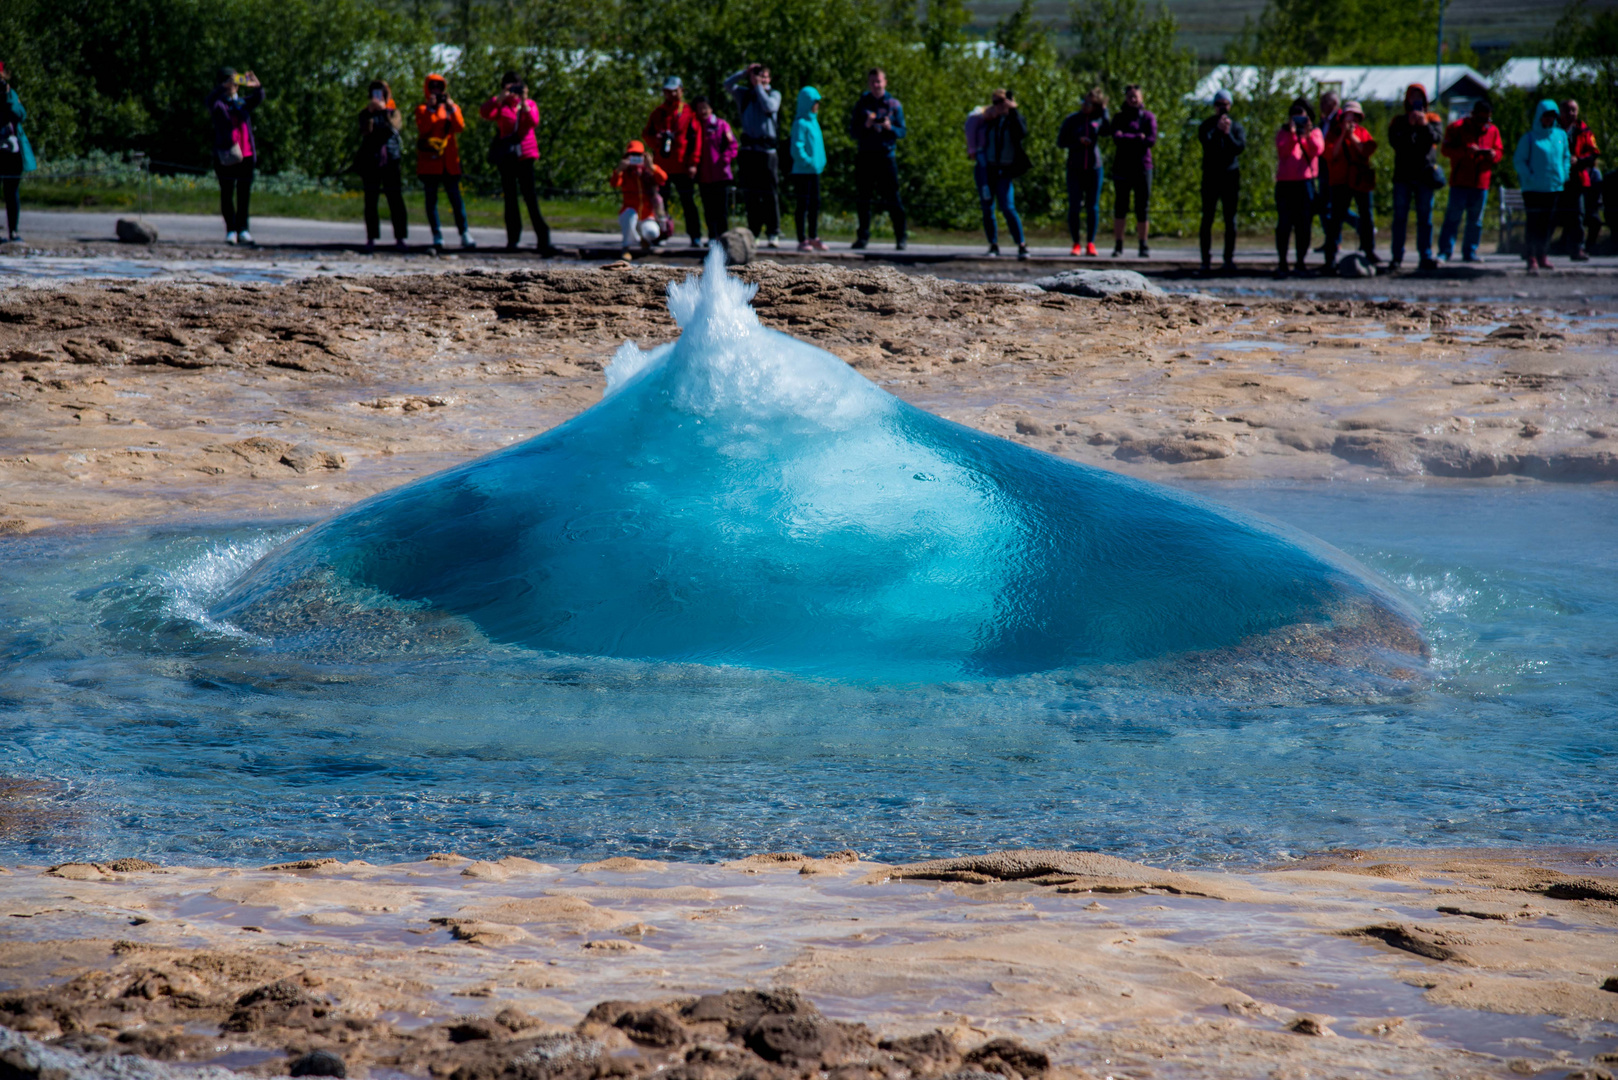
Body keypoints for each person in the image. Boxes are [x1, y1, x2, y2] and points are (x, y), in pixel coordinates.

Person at [480, 74, 554, 254]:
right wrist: (499, 97)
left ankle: (543, 239)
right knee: (510, 198)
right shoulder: (502, 106)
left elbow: (533, 121)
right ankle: (513, 239)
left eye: (515, 87)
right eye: (509, 87)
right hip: (507, 155)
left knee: (530, 198)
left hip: (526, 155)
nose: (513, 91)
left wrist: (525, 101)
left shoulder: (529, 104)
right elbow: (485, 113)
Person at [848, 67, 907, 250]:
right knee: (863, 198)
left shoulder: (893, 104)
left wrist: (890, 127)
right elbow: (853, 132)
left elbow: (902, 131)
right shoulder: (862, 104)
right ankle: (863, 237)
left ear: (885, 82)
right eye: (873, 81)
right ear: (869, 83)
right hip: (866, 156)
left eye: (879, 81)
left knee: (892, 198)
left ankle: (901, 237)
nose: (876, 85)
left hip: (886, 156)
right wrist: (866, 125)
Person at [725, 63, 783, 247]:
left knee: (769, 193)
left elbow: (769, 107)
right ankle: (754, 232)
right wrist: (744, 72)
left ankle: (773, 232)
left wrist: (759, 86)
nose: (761, 79)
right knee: (751, 194)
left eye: (765, 77)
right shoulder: (745, 95)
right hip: (749, 152)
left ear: (769, 79)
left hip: (768, 152)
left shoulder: (774, 94)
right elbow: (727, 84)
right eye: (758, 76)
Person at [1387, 83, 1443, 272]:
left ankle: (1425, 257)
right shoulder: (1399, 121)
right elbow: (1395, 143)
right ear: (1407, 99)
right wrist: (1410, 126)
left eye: (1420, 96)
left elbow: (1436, 139)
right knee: (1400, 218)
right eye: (1413, 96)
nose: (1416, 100)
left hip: (1425, 176)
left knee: (1425, 218)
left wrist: (1424, 124)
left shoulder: (1433, 119)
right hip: (1403, 176)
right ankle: (1396, 257)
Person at [1436, 98, 1501, 263]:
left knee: (1476, 220)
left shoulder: (1492, 131)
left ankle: (1470, 252)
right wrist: (1466, 151)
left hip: (1481, 183)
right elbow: (1445, 150)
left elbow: (1499, 151)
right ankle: (1445, 251)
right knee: (1453, 218)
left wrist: (1493, 155)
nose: (1484, 123)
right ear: (1472, 115)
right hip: (1460, 182)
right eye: (1480, 118)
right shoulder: (1457, 128)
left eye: (1487, 119)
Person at [416, 74, 474, 250]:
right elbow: (424, 128)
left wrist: (452, 109)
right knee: (431, 200)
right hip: (429, 162)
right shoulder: (422, 109)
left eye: (439, 88)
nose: (436, 91)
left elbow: (460, 127)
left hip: (449, 162)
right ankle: (437, 235)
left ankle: (464, 233)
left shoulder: (451, 108)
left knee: (456, 199)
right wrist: (431, 110)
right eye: (432, 87)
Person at [643, 77, 703, 246]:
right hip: (662, 167)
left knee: (688, 202)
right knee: (660, 202)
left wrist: (693, 163)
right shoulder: (658, 113)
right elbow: (646, 134)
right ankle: (661, 235)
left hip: (683, 166)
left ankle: (695, 236)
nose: (671, 94)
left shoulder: (689, 113)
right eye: (667, 91)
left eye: (674, 90)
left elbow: (696, 140)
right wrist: (657, 142)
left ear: (681, 91)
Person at [206, 67, 263, 245]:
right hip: (227, 155)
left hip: (246, 154)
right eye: (230, 81)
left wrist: (257, 86)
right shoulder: (219, 104)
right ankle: (230, 230)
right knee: (227, 193)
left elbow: (258, 98)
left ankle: (243, 230)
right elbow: (211, 102)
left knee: (244, 194)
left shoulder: (242, 104)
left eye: (235, 81)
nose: (233, 85)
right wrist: (223, 88)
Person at [1514, 100, 1570, 274]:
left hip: (1553, 187)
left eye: (1552, 116)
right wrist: (1529, 177)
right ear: (1540, 116)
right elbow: (1518, 161)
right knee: (1533, 223)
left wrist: (1564, 174)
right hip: (1533, 189)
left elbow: (1566, 157)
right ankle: (1531, 256)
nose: (1549, 119)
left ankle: (1542, 254)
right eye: (1546, 116)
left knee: (1548, 224)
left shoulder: (1560, 136)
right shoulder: (1529, 138)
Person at [1322, 100, 1377, 269]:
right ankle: (1330, 256)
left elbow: (1366, 150)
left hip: (1360, 180)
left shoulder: (1362, 132)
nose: (1351, 121)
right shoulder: (1333, 133)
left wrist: (1352, 136)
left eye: (1354, 117)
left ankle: (1369, 251)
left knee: (1366, 216)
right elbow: (1330, 154)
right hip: (1340, 181)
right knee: (1336, 218)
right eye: (1348, 117)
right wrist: (1342, 136)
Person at [1273, 97, 1324, 277]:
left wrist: (1307, 134)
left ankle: (1301, 262)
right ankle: (1282, 262)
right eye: (1294, 117)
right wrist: (1294, 134)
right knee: (1284, 225)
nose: (1298, 120)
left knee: (1304, 225)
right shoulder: (1284, 132)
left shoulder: (1314, 131)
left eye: (1301, 117)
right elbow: (1283, 151)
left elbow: (1317, 150)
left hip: (1305, 184)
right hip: (1285, 184)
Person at [1197, 89, 1246, 273]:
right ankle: (1205, 259)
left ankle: (1228, 259)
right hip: (1210, 177)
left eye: (1225, 104)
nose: (1222, 108)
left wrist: (1227, 133)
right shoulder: (1207, 126)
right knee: (1207, 218)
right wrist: (1218, 131)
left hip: (1230, 177)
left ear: (1230, 105)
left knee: (1230, 220)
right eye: (1219, 104)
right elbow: (1207, 145)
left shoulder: (1236, 127)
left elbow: (1239, 148)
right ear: (1214, 106)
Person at [356, 80, 408, 251]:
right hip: (371, 160)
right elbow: (365, 131)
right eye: (375, 93)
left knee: (395, 200)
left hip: (391, 160)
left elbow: (395, 126)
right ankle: (371, 238)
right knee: (371, 201)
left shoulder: (393, 112)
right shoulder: (365, 113)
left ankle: (400, 238)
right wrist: (371, 114)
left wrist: (384, 111)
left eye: (380, 93)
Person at [1107, 83, 1157, 258]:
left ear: (1141, 98)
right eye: (1130, 97)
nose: (1133, 99)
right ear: (1126, 99)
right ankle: (1119, 245)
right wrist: (1137, 137)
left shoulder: (1148, 117)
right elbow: (1116, 138)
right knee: (1120, 206)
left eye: (1136, 96)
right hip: (1122, 168)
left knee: (1142, 207)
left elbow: (1150, 140)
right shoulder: (1119, 118)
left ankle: (1143, 244)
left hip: (1143, 168)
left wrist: (1127, 137)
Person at [1056, 88, 1107, 256]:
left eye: (1090, 104)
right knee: (1075, 206)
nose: (1086, 106)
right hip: (1075, 167)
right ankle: (1076, 242)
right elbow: (1061, 142)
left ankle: (1090, 243)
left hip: (1094, 167)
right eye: (1084, 102)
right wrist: (1077, 142)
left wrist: (1104, 111)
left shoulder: (1098, 119)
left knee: (1092, 206)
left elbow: (1108, 131)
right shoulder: (1072, 120)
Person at [980, 89, 1030, 260]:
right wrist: (987, 114)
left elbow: (1022, 132)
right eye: (994, 102)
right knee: (987, 208)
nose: (998, 105)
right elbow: (972, 124)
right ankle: (993, 244)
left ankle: (1021, 245)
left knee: (1008, 207)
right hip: (989, 168)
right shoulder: (990, 120)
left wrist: (1013, 109)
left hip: (1006, 169)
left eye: (1001, 101)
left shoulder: (1014, 119)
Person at [0, 61, 38, 244]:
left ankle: (13, 231)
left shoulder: (10, 93)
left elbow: (20, 114)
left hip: (12, 150)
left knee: (12, 191)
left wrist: (8, 96)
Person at [692, 96, 738, 244]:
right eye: (699, 108)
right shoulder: (696, 127)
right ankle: (712, 237)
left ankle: (724, 238)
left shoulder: (721, 125)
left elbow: (733, 146)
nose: (703, 111)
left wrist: (725, 159)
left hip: (721, 175)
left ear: (711, 108)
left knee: (721, 209)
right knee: (708, 209)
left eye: (705, 107)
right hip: (704, 176)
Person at [1561, 99, 1602, 260]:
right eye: (1568, 110)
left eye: (1574, 110)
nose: (1571, 113)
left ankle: (1578, 248)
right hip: (1557, 178)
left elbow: (1594, 153)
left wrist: (1579, 160)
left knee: (1578, 214)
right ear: (1561, 112)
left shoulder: (1585, 131)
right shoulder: (1554, 130)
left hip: (1577, 178)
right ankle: (1538, 249)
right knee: (1550, 215)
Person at [611, 140, 668, 255]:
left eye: (638, 155)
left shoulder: (649, 170)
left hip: (647, 215)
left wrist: (651, 166)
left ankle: (645, 239)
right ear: (627, 156)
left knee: (652, 231)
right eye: (632, 155)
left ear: (644, 156)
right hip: (629, 213)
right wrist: (619, 170)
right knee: (630, 215)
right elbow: (614, 184)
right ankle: (626, 247)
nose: (635, 158)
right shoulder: (625, 172)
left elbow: (663, 178)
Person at [789, 86, 827, 252]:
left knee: (814, 205)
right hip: (802, 172)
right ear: (806, 103)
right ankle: (802, 239)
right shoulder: (800, 123)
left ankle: (813, 236)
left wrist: (820, 162)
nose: (816, 105)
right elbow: (797, 148)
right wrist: (808, 161)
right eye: (814, 102)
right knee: (802, 205)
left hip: (815, 171)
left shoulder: (814, 122)